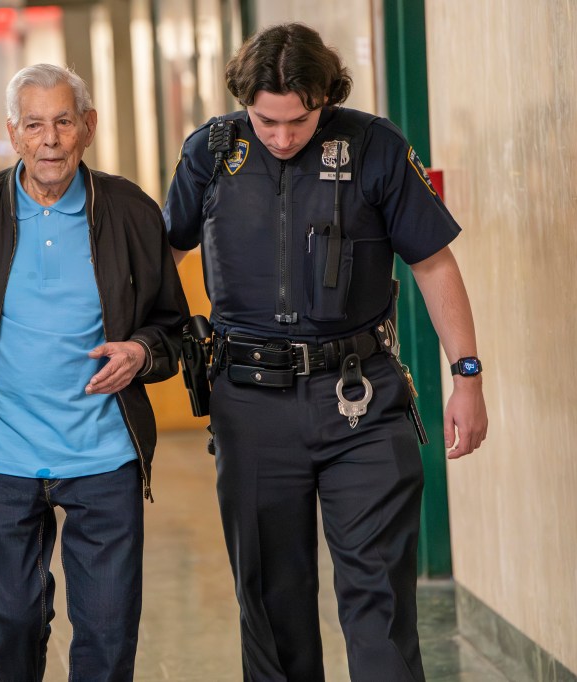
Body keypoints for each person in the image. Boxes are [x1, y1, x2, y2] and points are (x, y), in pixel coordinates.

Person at [163, 23, 488, 681]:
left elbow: (433, 264)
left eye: (299, 120)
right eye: (266, 121)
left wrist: (467, 375)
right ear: (244, 102)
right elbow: (162, 253)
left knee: (378, 603)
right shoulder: (212, 151)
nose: (281, 137)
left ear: (325, 98)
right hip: (250, 406)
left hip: (359, 402)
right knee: (272, 603)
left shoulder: (375, 147)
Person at [0, 63, 189, 681]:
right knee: (13, 622)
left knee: (109, 636)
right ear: (13, 133)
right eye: (34, 125)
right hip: (0, 457)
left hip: (104, 455)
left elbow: (172, 327)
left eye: (62, 122)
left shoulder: (131, 211)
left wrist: (140, 352)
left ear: (88, 127)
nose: (50, 139)